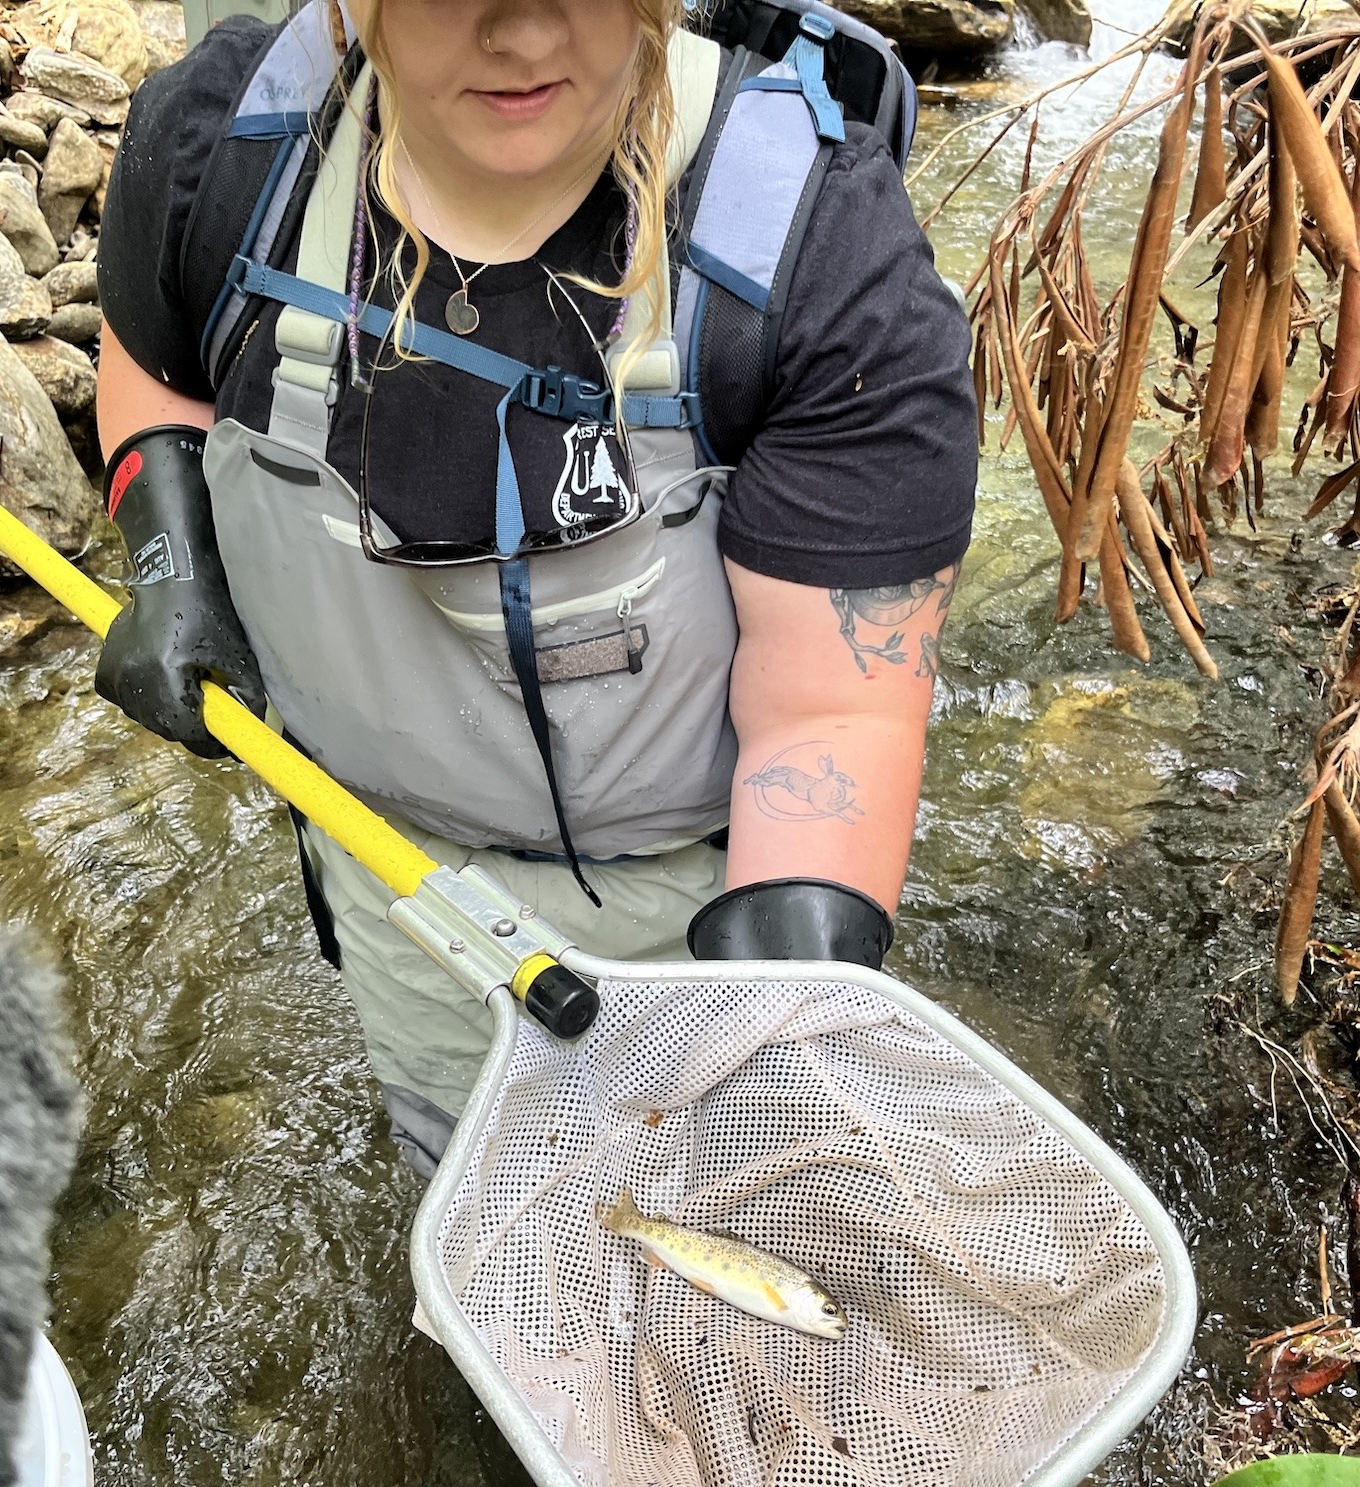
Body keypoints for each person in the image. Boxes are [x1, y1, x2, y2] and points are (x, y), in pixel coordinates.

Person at [94, 0, 978, 1175]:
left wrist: (789, 967)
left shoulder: (817, 241)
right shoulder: (223, 142)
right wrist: (169, 556)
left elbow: (834, 706)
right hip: (390, 872)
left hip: (702, 895)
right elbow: (154, 370)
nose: (522, 33)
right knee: (460, 1178)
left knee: (724, 1211)